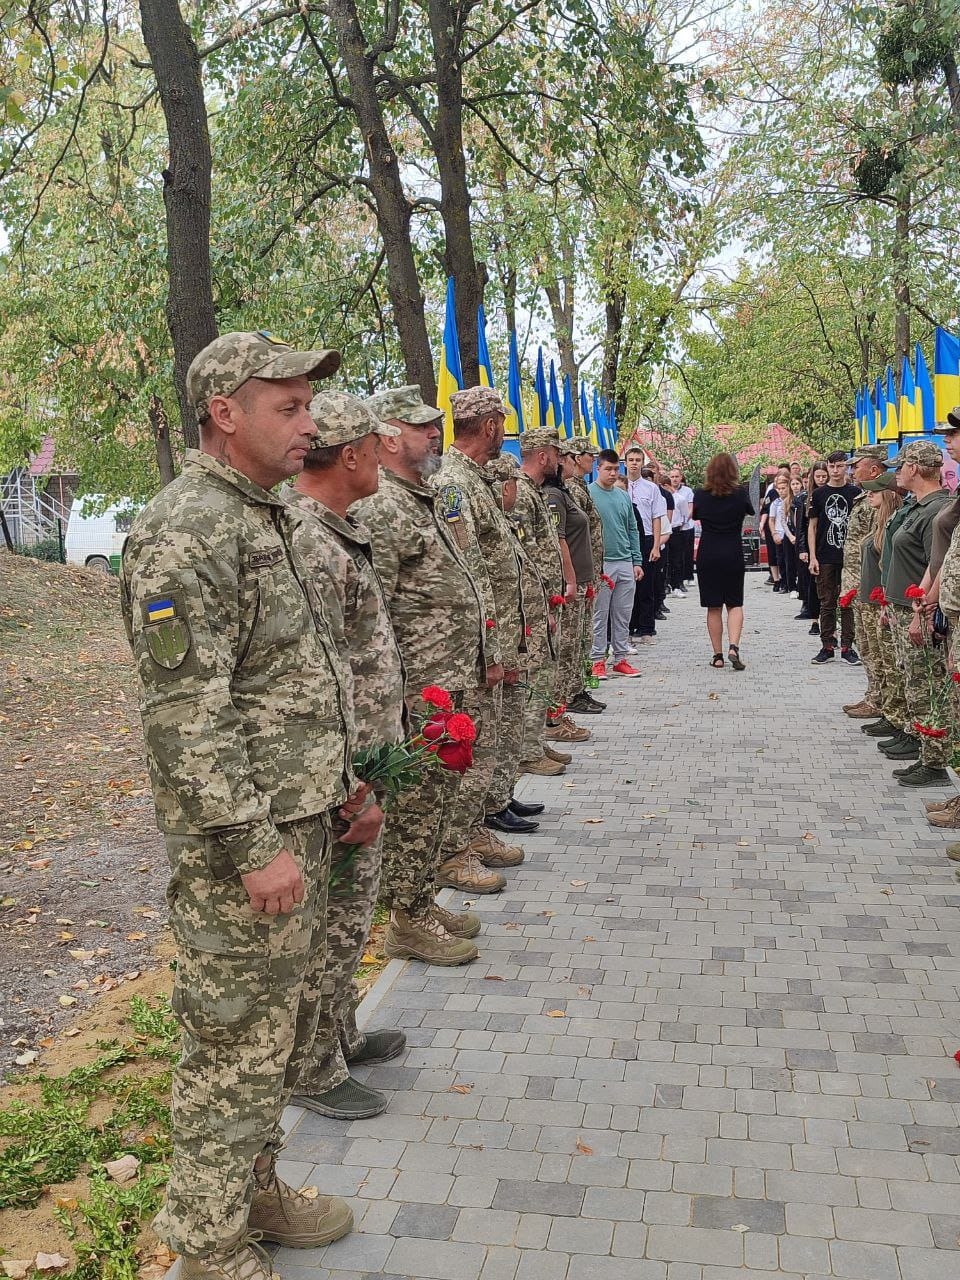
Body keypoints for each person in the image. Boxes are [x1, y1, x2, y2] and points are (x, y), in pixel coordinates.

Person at [120, 331, 379, 1277]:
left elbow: (291, 680)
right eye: (290, 407)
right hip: (247, 847)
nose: (308, 424)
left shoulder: (258, 513)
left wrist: (344, 782)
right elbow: (187, 712)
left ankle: (252, 1191)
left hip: (299, 819)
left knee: (272, 1040)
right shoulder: (186, 526)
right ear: (224, 413)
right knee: (232, 1045)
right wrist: (252, 842)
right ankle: (208, 1243)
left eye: (310, 406)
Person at [282, 391, 406, 1123]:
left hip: (364, 763)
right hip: (340, 775)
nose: (383, 457)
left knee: (350, 920)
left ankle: (341, 1033)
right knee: (328, 928)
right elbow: (317, 679)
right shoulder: (310, 542)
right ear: (353, 452)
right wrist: (349, 785)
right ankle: (314, 1066)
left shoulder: (337, 531)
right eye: (375, 445)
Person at [356, 385, 495, 959]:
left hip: (449, 676)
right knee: (415, 804)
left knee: (438, 797)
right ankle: (405, 919)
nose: (434, 435)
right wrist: (393, 698)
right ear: (387, 437)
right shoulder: (381, 506)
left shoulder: (424, 495)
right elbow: (374, 611)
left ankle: (419, 900)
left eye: (435, 426)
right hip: (417, 687)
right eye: (421, 427)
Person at [434, 387, 531, 867]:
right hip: (475, 645)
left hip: (496, 636)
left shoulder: (473, 480)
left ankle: (474, 828)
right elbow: (470, 572)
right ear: (490, 425)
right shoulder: (455, 483)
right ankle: (459, 844)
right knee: (475, 746)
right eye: (502, 423)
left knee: (489, 742)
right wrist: (495, 651)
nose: (503, 434)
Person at [871, 440, 951, 788]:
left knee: (927, 684)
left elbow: (938, 565)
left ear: (915, 469)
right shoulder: (919, 507)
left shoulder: (936, 508)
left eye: (900, 466)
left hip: (920, 608)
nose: (896, 472)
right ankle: (922, 746)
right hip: (905, 606)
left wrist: (923, 610)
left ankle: (935, 759)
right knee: (913, 681)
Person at [514, 427, 569, 775]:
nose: (561, 461)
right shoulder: (520, 493)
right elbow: (524, 553)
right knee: (534, 676)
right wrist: (541, 601)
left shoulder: (534, 492)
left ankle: (534, 742)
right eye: (557, 454)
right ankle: (527, 751)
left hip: (544, 599)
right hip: (532, 604)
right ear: (543, 455)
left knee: (543, 675)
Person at [542, 439, 595, 743]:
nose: (571, 461)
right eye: (566, 457)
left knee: (574, 649)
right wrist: (571, 580)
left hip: (581, 579)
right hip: (569, 585)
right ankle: (554, 719)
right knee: (564, 652)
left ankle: (560, 712)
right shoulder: (553, 494)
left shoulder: (563, 491)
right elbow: (558, 539)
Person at [839, 445, 890, 718]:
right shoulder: (864, 497)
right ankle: (873, 694)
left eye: (856, 465)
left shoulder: (882, 499)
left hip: (870, 583)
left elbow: (877, 545)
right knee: (866, 644)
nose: (851, 470)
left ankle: (881, 700)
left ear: (873, 469)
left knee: (877, 646)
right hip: (857, 580)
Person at [692, 451, 754, 669]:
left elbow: (695, 515)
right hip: (733, 552)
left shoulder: (700, 494)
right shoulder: (740, 493)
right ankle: (733, 646)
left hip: (708, 553)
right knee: (735, 603)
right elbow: (750, 511)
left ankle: (717, 655)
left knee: (713, 606)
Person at [589, 448, 643, 678]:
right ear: (598, 468)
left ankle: (620, 658)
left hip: (625, 561)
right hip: (602, 562)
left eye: (615, 469)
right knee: (600, 614)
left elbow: (632, 529)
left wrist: (636, 560)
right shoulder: (588, 494)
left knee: (623, 613)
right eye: (608, 469)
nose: (612, 473)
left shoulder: (623, 496)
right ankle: (597, 659)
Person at [566, 436, 606, 715]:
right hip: (579, 573)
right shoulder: (571, 488)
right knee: (577, 635)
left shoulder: (580, 487)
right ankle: (572, 691)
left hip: (589, 570)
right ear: (577, 458)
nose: (593, 460)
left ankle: (579, 687)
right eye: (589, 455)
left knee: (584, 635)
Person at [809, 450, 860, 662]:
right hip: (825, 554)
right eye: (832, 466)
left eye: (840, 466)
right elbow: (812, 527)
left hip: (849, 556)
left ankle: (848, 646)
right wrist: (812, 556)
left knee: (847, 602)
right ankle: (827, 645)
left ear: (846, 467)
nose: (835, 470)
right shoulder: (819, 495)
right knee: (827, 602)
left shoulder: (856, 493)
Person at [625, 446, 665, 641]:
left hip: (647, 538)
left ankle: (647, 627)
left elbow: (657, 517)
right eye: (631, 459)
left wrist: (656, 545)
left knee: (646, 584)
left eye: (637, 460)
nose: (634, 463)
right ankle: (628, 626)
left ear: (642, 463)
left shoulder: (651, 488)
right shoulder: (620, 486)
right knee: (627, 585)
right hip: (625, 539)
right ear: (626, 462)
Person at [796, 461, 828, 629]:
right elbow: (802, 526)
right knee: (812, 583)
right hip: (810, 544)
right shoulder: (805, 498)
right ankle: (814, 619)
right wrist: (802, 549)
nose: (821, 479)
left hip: (827, 542)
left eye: (824, 476)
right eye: (818, 476)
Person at [669, 466, 696, 586]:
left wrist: (684, 522)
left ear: (681, 477)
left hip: (686, 526)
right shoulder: (666, 491)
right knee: (676, 554)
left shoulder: (687, 491)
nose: (674, 479)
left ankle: (688, 576)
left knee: (687, 552)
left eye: (676, 476)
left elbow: (690, 509)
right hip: (673, 526)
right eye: (672, 477)